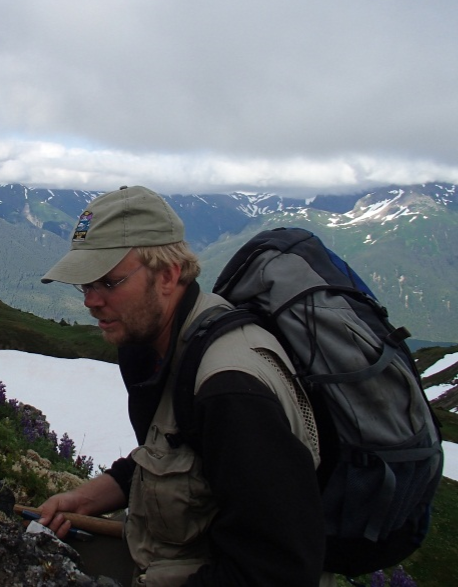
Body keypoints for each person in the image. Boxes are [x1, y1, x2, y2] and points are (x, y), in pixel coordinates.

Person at [38, 186, 335, 586]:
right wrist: (85, 499)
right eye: (85, 285)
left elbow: (279, 570)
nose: (91, 301)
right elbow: (175, 455)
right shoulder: (162, 343)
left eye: (108, 282)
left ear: (168, 274)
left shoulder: (231, 392)